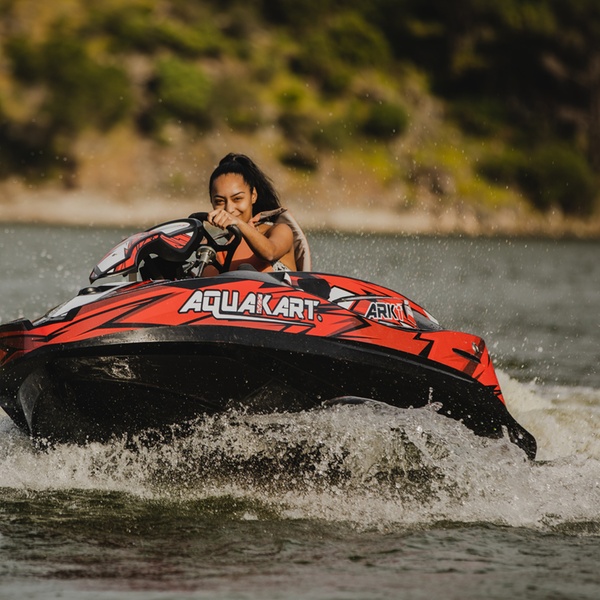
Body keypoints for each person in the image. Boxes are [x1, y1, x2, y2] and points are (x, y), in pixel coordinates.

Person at [202, 153, 311, 273]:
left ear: (253, 196)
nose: (229, 209)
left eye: (237, 199)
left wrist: (238, 223)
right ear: (211, 202)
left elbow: (270, 253)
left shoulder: (280, 231)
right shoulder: (215, 252)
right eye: (219, 201)